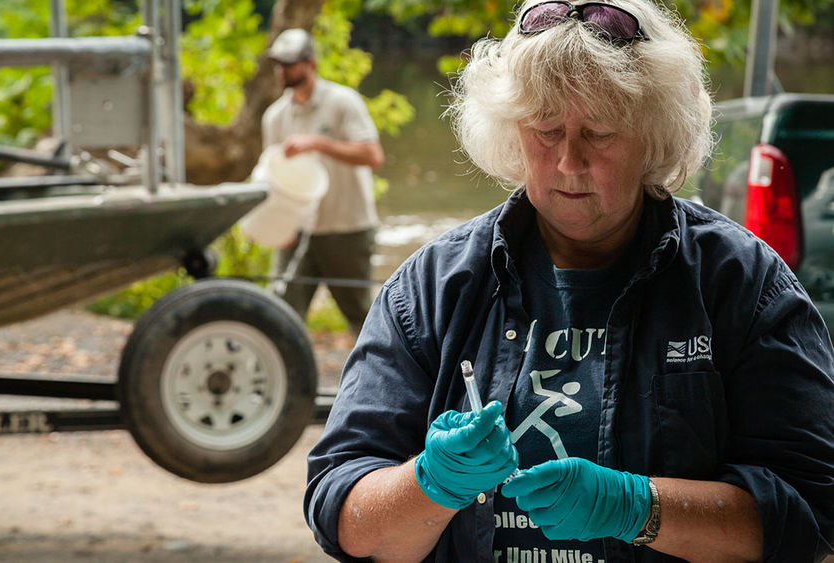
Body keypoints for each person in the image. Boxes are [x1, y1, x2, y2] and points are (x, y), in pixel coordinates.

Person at [304, 0, 834, 561]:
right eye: (546, 130)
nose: (568, 162)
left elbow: (814, 513)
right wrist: (432, 483)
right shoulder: (432, 287)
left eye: (600, 133)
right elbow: (342, 512)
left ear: (653, 136)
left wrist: (639, 508)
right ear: (512, 132)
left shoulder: (740, 282)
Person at [261, 28, 384, 335]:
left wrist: (317, 143)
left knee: (361, 316)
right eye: (278, 63)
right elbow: (273, 179)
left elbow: (372, 155)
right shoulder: (274, 117)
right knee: (281, 316)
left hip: (347, 228)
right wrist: (279, 226)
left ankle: (374, 381)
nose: (282, 70)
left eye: (289, 63)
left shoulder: (343, 102)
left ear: (310, 64)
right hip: (298, 231)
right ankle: (287, 380)